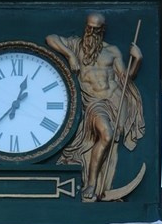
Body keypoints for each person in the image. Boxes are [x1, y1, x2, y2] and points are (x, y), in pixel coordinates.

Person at [45, 15, 143, 201]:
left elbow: (125, 77)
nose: (91, 32)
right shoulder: (76, 46)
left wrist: (137, 60)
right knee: (106, 134)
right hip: (93, 102)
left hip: (114, 101)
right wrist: (70, 55)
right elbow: (51, 38)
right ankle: (90, 184)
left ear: (102, 30)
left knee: (111, 145)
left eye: (95, 29)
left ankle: (101, 189)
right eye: (89, 28)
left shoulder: (112, 51)